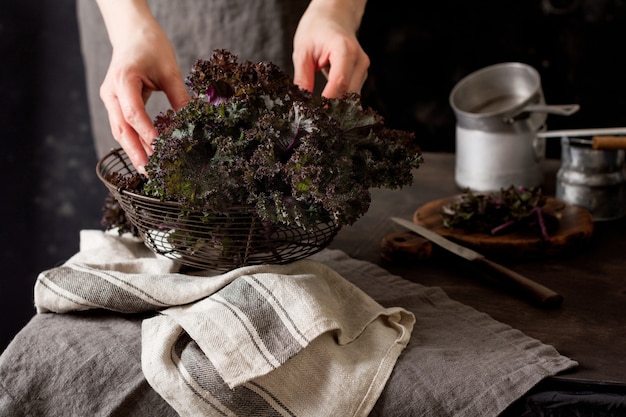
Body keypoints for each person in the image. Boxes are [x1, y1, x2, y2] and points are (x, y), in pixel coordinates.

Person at [77, 0, 370, 174]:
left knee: (293, 167)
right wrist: (128, 29)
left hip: (283, 17)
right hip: (129, 18)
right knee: (151, 164)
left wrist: (336, 10)